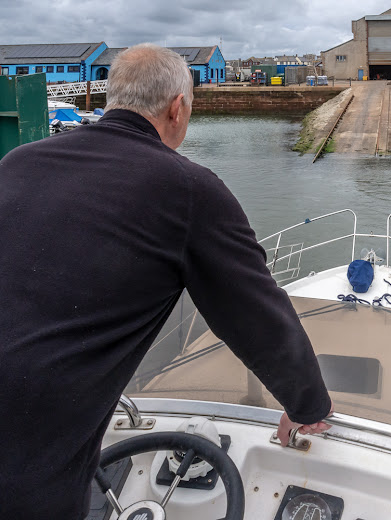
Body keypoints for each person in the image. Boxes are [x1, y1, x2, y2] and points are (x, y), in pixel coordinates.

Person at [0, 44, 331, 520]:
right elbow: (253, 312)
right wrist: (307, 402)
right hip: (31, 452)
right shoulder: (187, 189)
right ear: (177, 108)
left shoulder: (19, 163)